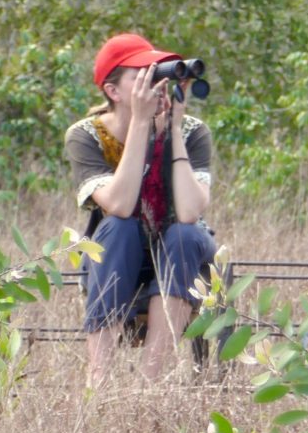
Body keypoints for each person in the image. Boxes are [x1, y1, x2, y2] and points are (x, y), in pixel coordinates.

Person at [64, 32, 215, 386]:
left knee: (183, 233)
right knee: (120, 226)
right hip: (116, 253)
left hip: (183, 251)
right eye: (142, 74)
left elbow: (191, 211)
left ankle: (150, 384)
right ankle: (98, 379)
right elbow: (119, 204)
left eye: (159, 73)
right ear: (114, 92)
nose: (157, 83)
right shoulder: (87, 135)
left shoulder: (194, 131)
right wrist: (142, 125)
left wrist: (174, 130)